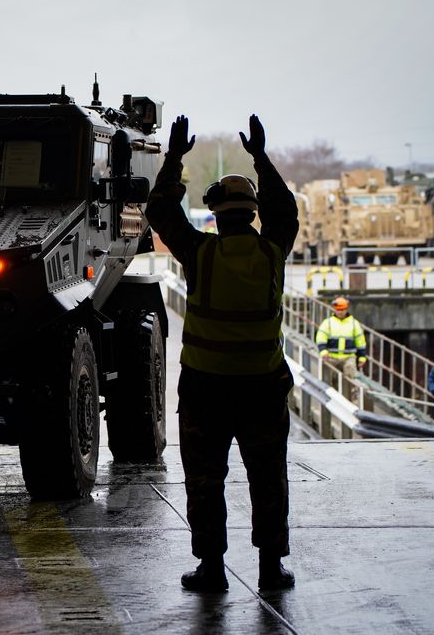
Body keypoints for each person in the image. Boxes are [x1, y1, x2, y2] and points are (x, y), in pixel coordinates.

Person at [145, 114, 298, 593]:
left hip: (207, 388)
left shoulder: (200, 253)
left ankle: (212, 570)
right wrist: (260, 158)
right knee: (268, 478)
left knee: (206, 481)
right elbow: (286, 211)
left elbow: (159, 211)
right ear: (253, 213)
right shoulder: (273, 251)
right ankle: (270, 570)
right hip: (262, 386)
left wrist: (173, 159)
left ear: (214, 214)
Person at [315, 296, 367, 402]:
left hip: (349, 357)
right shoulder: (328, 322)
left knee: (350, 371)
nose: (340, 312)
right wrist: (323, 351)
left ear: (346, 309)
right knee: (331, 378)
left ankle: (353, 398)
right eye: (338, 309)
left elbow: (360, 341)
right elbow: (321, 337)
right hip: (331, 357)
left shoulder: (353, 323)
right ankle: (331, 398)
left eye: (342, 309)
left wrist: (361, 357)